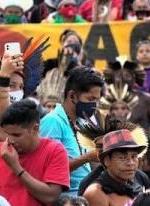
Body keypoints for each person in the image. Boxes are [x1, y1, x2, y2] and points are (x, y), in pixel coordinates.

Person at [39, 65, 104, 195]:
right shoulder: (53, 122)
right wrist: (86, 158)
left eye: (97, 100)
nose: (94, 105)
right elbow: (48, 169)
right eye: (91, 99)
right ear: (72, 96)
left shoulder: (83, 122)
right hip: (63, 202)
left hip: (84, 196)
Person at [82, 126, 147, 206]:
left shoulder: (139, 183)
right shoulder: (95, 194)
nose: (130, 163)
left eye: (134, 157)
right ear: (107, 161)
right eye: (122, 158)